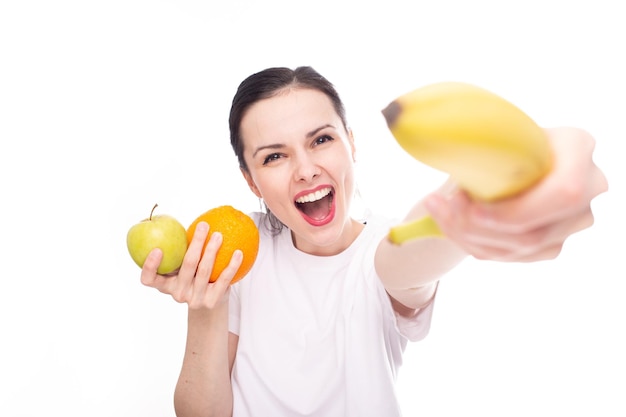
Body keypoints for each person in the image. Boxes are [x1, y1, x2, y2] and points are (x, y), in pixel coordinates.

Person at [140, 66, 608, 417]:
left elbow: (407, 260)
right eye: (275, 155)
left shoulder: (383, 249)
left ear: (351, 143)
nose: (305, 169)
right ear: (251, 181)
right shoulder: (238, 249)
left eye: (321, 140)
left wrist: (473, 205)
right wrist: (206, 305)